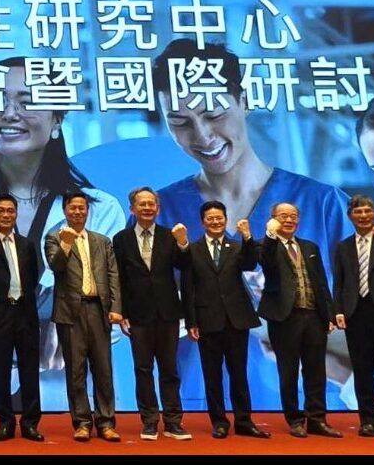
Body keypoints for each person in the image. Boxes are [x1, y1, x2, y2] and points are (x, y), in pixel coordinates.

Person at [152, 38, 352, 411]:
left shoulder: (324, 206)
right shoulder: (159, 213)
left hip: (322, 411)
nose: (202, 135)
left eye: (214, 114)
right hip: (198, 414)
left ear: (243, 101)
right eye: (179, 122)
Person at [0, 56, 126, 408]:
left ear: (57, 119)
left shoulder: (99, 210)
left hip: (67, 394)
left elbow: (116, 306)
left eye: (26, 102)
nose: (9, 113)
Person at [180, 201, 269, 439]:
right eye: (210, 218)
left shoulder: (237, 246)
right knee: (212, 376)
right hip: (206, 320)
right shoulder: (192, 250)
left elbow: (250, 264)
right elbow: (188, 287)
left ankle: (244, 421)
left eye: (219, 218)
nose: (215, 222)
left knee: (239, 373)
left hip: (236, 319)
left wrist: (248, 237)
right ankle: (219, 422)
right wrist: (191, 321)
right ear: (203, 222)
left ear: (226, 220)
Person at [112, 186, 192, 441]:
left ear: (158, 208)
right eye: (142, 204)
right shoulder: (121, 239)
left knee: (169, 369)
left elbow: (185, 267)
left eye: (151, 204)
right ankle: (149, 421)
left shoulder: (170, 236)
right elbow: (119, 278)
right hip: (137, 315)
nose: (147, 208)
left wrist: (183, 244)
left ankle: (173, 421)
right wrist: (121, 311)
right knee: (143, 369)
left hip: (168, 313)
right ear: (132, 209)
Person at [259, 202, 341, 438]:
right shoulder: (266, 245)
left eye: (293, 216)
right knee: (289, 372)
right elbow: (266, 263)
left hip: (314, 317)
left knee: (316, 371)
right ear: (273, 218)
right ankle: (295, 419)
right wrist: (270, 235)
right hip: (284, 318)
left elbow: (321, 283)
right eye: (283, 216)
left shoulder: (309, 246)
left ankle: (317, 419)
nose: (289, 220)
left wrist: (328, 314)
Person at [45, 192, 122, 442]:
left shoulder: (102, 241)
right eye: (73, 208)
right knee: (76, 371)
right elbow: (56, 266)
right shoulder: (54, 238)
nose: (78, 212)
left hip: (99, 310)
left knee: (103, 370)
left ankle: (106, 422)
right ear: (65, 211)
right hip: (71, 313)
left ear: (87, 211)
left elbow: (113, 275)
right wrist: (66, 245)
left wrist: (116, 307)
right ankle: (82, 422)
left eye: (82, 208)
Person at [0, 193, 43, 442]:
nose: (6, 215)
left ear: (16, 214)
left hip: (25, 314)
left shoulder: (26, 244)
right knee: (1, 371)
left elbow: (32, 277)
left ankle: (30, 423)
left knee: (29, 371)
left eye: (10, 211)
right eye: (0, 210)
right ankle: (5, 422)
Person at [333, 194, 374, 436]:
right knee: (362, 370)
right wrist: (338, 310)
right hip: (356, 314)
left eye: (368, 211)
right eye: (358, 212)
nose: (363, 216)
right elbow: (339, 283)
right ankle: (368, 419)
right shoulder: (343, 247)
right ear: (350, 216)